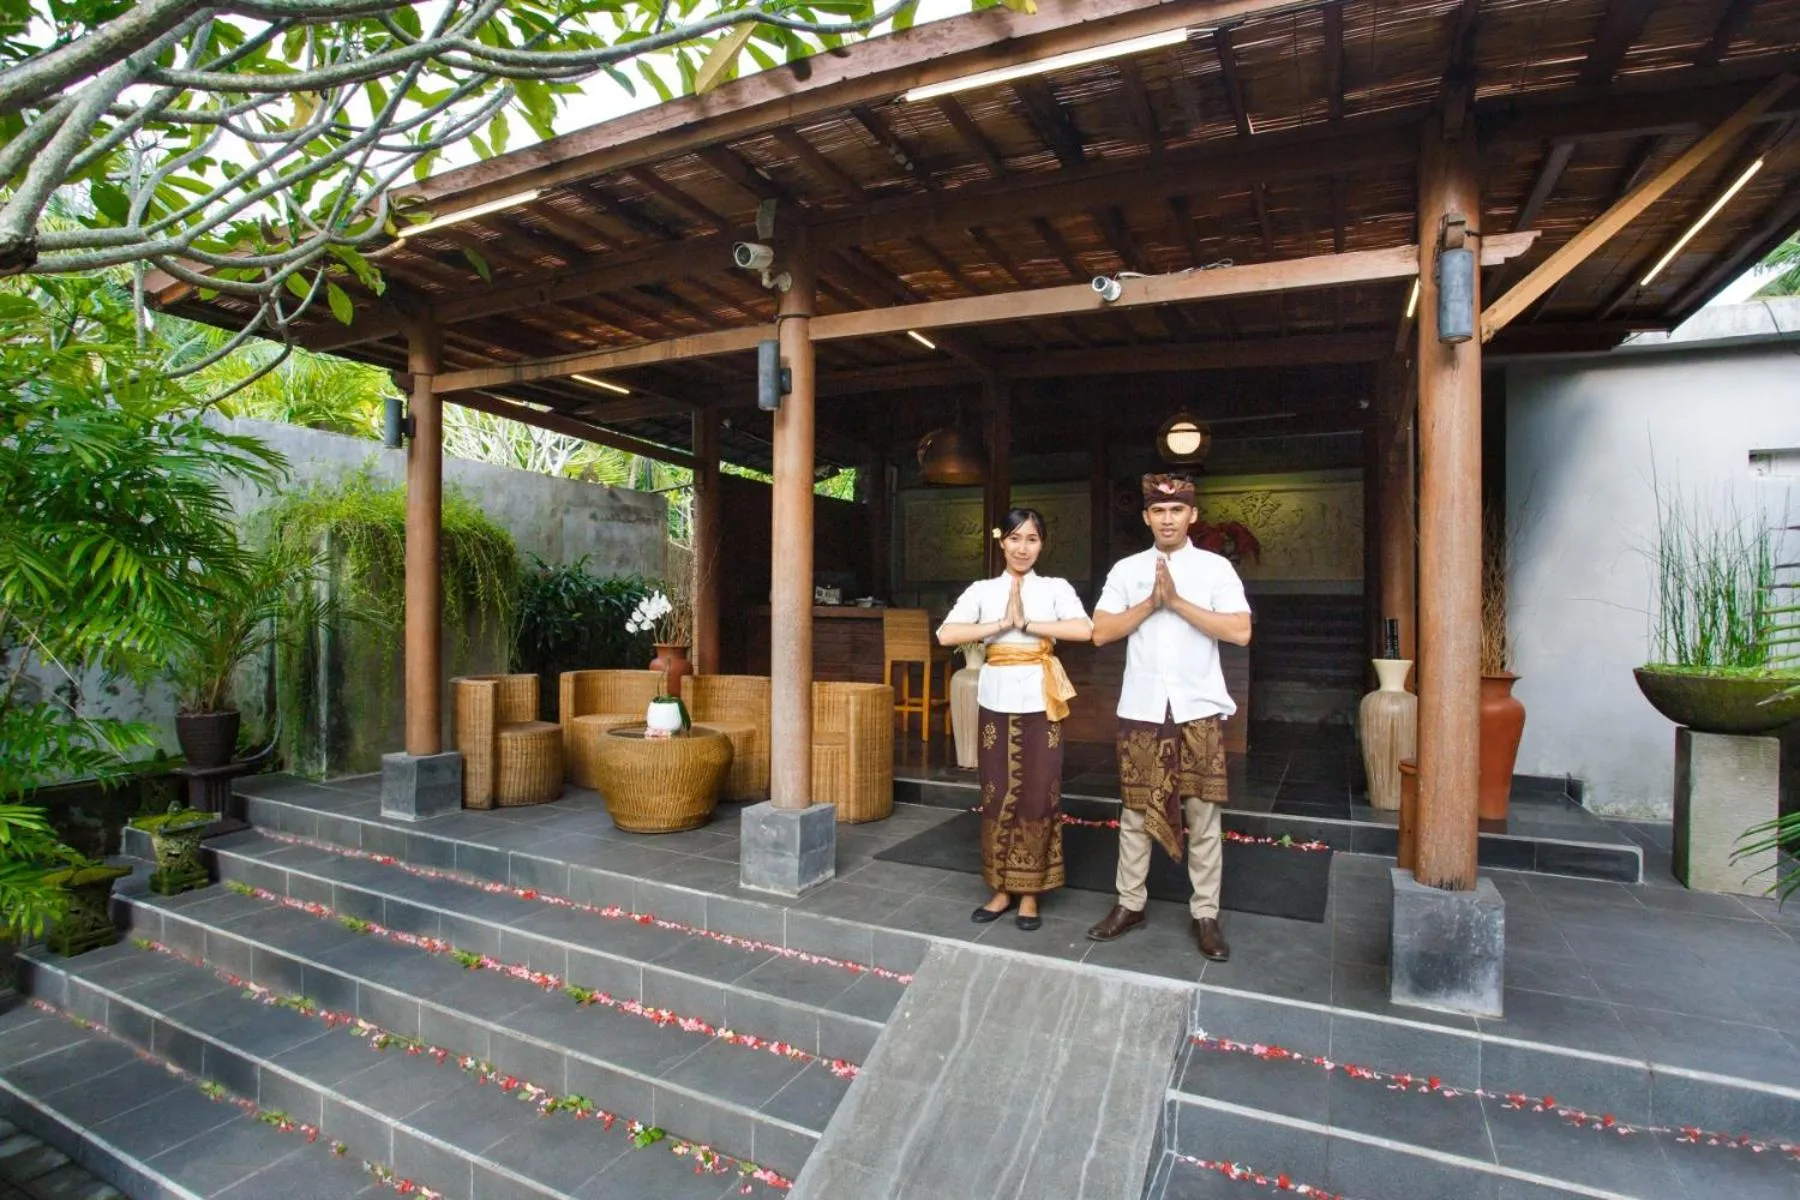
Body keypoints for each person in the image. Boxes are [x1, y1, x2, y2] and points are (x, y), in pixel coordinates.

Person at [1085, 473, 1252, 962]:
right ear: (1146, 517)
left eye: (1176, 510)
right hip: (1142, 709)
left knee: (1202, 815)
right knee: (1135, 812)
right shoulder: (1127, 570)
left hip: (1197, 708)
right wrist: (1150, 603)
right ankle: (1130, 903)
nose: (1167, 518)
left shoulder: (1216, 569)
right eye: (1158, 511)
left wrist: (1177, 603)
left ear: (1192, 515)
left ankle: (1205, 914)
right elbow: (1100, 632)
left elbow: (1240, 631)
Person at [936, 507, 1092, 931]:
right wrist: (1001, 623)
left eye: (1032, 539)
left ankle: (1030, 894)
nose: (1023, 548)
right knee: (996, 791)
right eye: (1016, 538)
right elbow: (946, 634)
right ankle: (1001, 888)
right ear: (1001, 541)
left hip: (1041, 700)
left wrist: (1028, 623)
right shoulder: (982, 590)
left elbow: (1084, 629)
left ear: (1042, 544)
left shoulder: (1055, 588)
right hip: (996, 698)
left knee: (1040, 793)